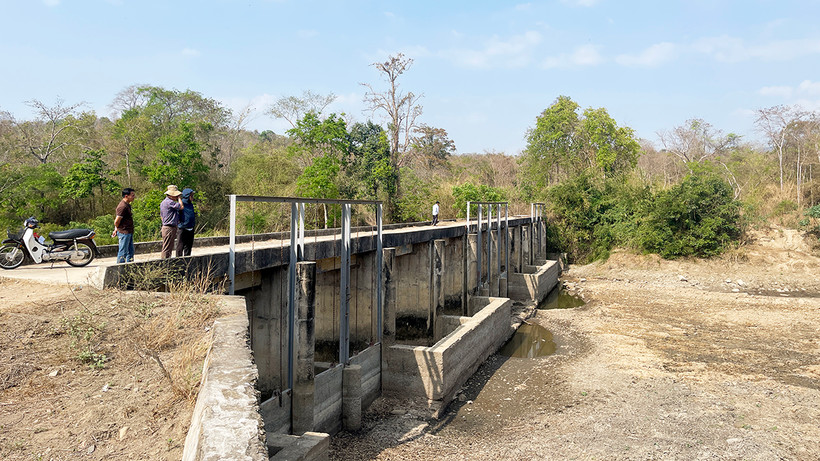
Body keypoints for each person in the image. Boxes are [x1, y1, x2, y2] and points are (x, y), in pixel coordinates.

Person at [160, 185, 184, 259]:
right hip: (169, 227)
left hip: (167, 227)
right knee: (167, 247)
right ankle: (165, 262)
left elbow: (161, 216)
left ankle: (167, 261)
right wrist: (179, 198)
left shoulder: (163, 202)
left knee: (169, 246)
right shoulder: (169, 202)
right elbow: (181, 207)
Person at [113, 188, 136, 263]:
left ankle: (130, 268)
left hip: (128, 231)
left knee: (130, 252)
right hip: (124, 232)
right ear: (126, 196)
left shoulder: (127, 205)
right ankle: (120, 268)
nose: (134, 197)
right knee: (123, 252)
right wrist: (117, 228)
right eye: (132, 195)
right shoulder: (122, 207)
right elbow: (116, 221)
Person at [176, 188, 197, 257]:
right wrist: (181, 223)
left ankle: (187, 261)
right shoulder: (182, 203)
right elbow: (178, 214)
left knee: (188, 246)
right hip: (183, 228)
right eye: (191, 195)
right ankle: (178, 261)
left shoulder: (191, 204)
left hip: (190, 227)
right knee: (180, 246)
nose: (192, 197)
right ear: (187, 195)